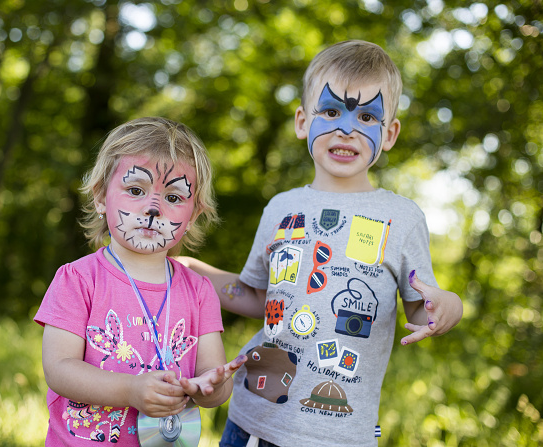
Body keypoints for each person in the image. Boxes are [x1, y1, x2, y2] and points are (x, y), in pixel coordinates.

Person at [180, 40, 463, 446]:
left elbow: (422, 309)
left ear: (390, 133)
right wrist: (191, 273)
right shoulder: (281, 208)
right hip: (250, 422)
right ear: (301, 121)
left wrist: (447, 308)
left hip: (339, 434)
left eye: (367, 115)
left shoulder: (401, 218)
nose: (346, 128)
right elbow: (259, 297)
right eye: (330, 111)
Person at [34, 117, 247, 446]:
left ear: (193, 216)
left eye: (174, 198)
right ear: (101, 197)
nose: (152, 208)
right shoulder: (77, 279)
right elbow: (59, 369)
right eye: (136, 190)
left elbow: (213, 383)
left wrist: (211, 386)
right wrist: (131, 390)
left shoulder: (200, 291)